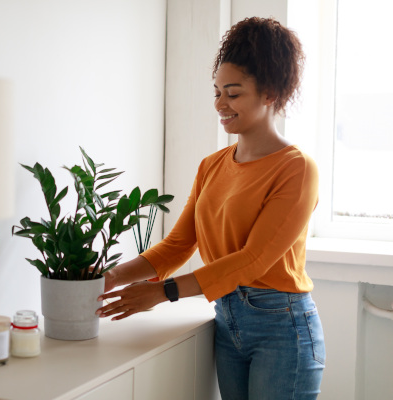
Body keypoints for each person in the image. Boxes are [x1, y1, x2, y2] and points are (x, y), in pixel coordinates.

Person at [96, 17, 325, 400]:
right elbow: (176, 246)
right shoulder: (212, 165)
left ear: (269, 93)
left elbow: (252, 260)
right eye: (217, 92)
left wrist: (162, 292)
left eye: (233, 93)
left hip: (282, 328)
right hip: (226, 319)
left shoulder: (296, 168)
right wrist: (111, 278)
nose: (220, 104)